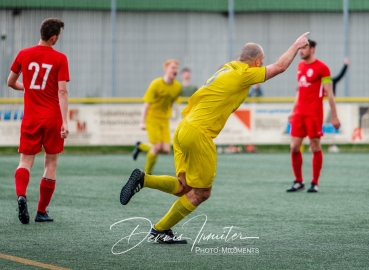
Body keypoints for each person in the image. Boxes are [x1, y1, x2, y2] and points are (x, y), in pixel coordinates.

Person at [121, 32, 310, 244]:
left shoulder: (228, 68)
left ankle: (144, 180)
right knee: (202, 192)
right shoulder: (244, 74)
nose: (262, 66)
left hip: (184, 129)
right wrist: (296, 45)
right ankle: (159, 229)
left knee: (184, 187)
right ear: (256, 62)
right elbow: (281, 67)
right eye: (262, 63)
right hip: (199, 134)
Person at [7, 18, 69, 224]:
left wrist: (28, 88)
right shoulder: (60, 58)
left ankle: (22, 196)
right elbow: (62, 91)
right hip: (52, 118)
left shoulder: (24, 54)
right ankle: (41, 211)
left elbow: (10, 82)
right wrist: (65, 121)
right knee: (50, 163)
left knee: (25, 161)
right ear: (53, 38)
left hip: (31, 117)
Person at [286, 39, 340, 193]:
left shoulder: (323, 68)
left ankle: (314, 182)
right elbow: (299, 91)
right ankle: (298, 181)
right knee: (294, 146)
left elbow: (330, 94)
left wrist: (334, 116)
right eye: (300, 48)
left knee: (314, 146)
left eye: (304, 48)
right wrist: (292, 110)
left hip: (314, 115)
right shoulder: (300, 66)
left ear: (313, 49)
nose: (301, 51)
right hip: (299, 114)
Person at [132, 60, 182, 175]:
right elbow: (146, 104)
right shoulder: (156, 84)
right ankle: (146, 175)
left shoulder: (178, 87)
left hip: (164, 120)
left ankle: (141, 146)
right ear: (166, 69)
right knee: (157, 147)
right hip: (152, 118)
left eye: (176, 68)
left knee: (165, 150)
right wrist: (142, 122)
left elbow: (172, 102)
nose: (175, 70)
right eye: (172, 68)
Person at [327, 57, 349, 153]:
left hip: (330, 105)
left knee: (332, 125)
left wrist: (345, 65)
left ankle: (331, 145)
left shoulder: (332, 80)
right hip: (321, 104)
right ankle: (313, 144)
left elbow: (340, 75)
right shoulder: (321, 81)